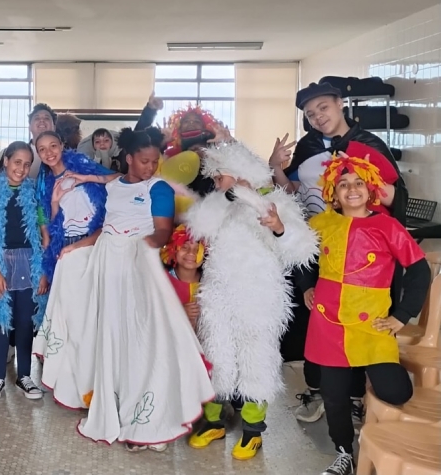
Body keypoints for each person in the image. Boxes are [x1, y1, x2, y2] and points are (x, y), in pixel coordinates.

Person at [67, 127, 214, 452]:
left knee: (142, 338)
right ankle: (117, 402)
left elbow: (163, 230)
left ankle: (150, 416)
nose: (150, 167)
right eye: (144, 161)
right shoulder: (115, 184)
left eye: (154, 161)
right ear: (130, 158)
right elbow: (108, 202)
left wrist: (147, 243)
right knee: (111, 334)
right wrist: (76, 246)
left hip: (137, 266)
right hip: (109, 265)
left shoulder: (158, 188)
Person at [269, 81, 408, 425]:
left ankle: (356, 396)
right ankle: (320, 391)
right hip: (316, 245)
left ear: (340, 104)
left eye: (323, 108)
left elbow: (398, 198)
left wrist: (362, 175)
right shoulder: (308, 146)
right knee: (315, 317)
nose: (317, 117)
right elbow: (294, 193)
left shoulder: (368, 144)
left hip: (364, 253)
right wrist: (276, 168)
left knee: (360, 321)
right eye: (310, 114)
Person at [184, 140, 317, 460]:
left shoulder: (275, 201)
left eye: (220, 177)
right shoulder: (219, 203)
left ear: (240, 172)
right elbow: (198, 226)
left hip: (259, 295)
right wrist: (228, 197)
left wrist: (278, 227)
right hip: (218, 292)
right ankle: (214, 420)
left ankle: (253, 430)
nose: (216, 183)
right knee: (216, 354)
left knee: (256, 358)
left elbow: (303, 249)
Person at [300, 154, 430, 475]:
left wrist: (402, 315)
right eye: (343, 184)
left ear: (370, 188)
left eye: (358, 183)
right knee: (333, 395)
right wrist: (307, 286)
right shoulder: (321, 224)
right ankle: (344, 452)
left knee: (396, 391)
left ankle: (362, 396)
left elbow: (419, 270)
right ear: (333, 192)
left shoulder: (387, 225)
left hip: (372, 325)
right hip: (329, 322)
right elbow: (298, 256)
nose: (352, 189)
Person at [32, 130, 110, 407]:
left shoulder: (83, 166)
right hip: (66, 250)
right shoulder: (45, 183)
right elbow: (55, 227)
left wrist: (88, 178)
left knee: (93, 319)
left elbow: (118, 181)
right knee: (70, 320)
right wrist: (54, 202)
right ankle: (74, 384)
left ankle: (96, 384)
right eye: (42, 149)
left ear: (63, 145)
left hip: (93, 246)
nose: (49, 152)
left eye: (53, 145)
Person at [0, 142, 49, 402]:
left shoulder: (34, 193)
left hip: (30, 264)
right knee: (1, 320)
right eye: (17, 162)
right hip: (0, 263)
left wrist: (43, 271)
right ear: (6, 161)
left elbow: (45, 234)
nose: (22, 168)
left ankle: (25, 375)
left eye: (27, 164)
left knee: (25, 322)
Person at [77, 92, 163, 172]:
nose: (102, 144)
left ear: (112, 142)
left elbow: (138, 132)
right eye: (97, 142)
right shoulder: (88, 160)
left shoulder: (123, 154)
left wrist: (150, 109)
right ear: (93, 145)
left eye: (106, 140)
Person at [160, 224, 205, 331]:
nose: (191, 253)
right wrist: (180, 312)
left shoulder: (210, 282)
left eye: (197, 249)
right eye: (184, 247)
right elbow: (153, 312)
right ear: (173, 249)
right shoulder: (162, 280)